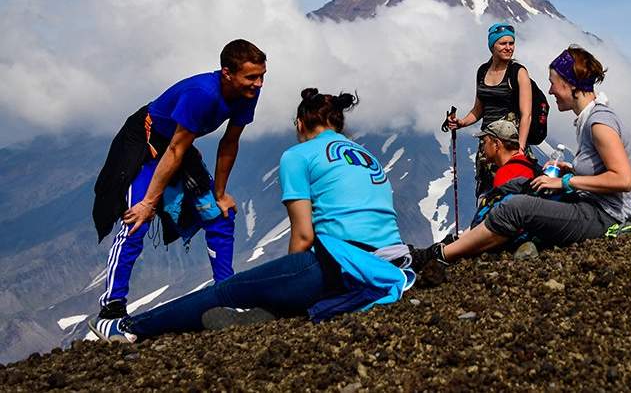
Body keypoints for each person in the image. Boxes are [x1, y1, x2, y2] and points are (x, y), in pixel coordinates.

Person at [89, 88, 413, 342]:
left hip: (339, 266)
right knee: (270, 292)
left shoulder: (299, 155)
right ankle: (267, 309)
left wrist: (291, 277)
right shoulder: (368, 155)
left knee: (225, 292)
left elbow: (303, 235)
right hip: (392, 267)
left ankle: (129, 328)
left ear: (300, 124)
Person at [412, 45, 631, 268]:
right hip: (588, 204)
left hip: (602, 216)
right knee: (520, 185)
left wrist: (565, 181)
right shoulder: (590, 119)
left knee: (517, 208)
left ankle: (442, 254)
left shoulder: (599, 123)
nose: (550, 91)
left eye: (553, 83)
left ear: (569, 84)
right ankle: (461, 240)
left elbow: (623, 180)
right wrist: (571, 169)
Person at [92, 39, 266, 323]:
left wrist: (220, 193)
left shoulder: (247, 92)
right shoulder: (203, 94)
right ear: (227, 73)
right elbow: (174, 150)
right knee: (136, 220)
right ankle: (111, 308)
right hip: (146, 141)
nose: (258, 83)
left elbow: (229, 143)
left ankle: (226, 292)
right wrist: (148, 202)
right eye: (251, 77)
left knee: (219, 215)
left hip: (177, 145)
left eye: (261, 76)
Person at [447, 22, 534, 196]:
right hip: (488, 143)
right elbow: (479, 109)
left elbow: (527, 115)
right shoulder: (482, 71)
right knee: (487, 192)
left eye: (511, 43)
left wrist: (521, 150)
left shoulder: (518, 72)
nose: (509, 48)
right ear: (492, 45)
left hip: (511, 145)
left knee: (510, 191)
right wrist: (461, 122)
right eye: (503, 43)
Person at [475, 119, 538, 188]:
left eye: (485, 142)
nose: (483, 147)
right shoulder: (528, 165)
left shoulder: (505, 174)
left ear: (496, 144)